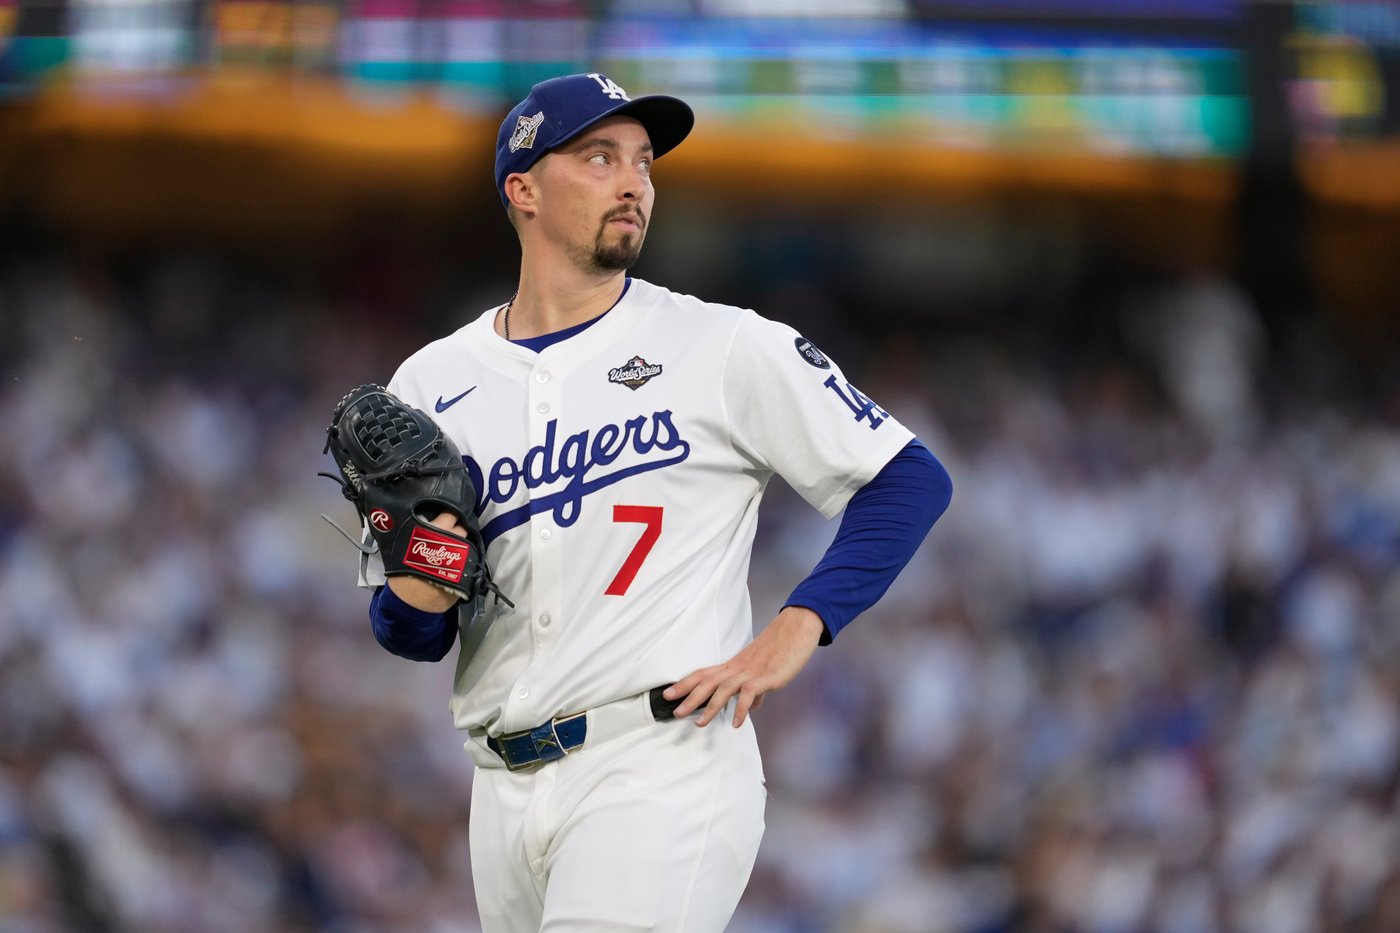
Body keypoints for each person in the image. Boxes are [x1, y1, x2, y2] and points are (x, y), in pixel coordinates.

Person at [357, 71, 953, 932]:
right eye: (599, 157)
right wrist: (430, 565)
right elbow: (411, 632)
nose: (634, 180)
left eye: (643, 162)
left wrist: (803, 621)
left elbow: (908, 476)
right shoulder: (431, 381)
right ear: (522, 190)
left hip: (661, 761)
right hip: (503, 788)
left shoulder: (721, 344)